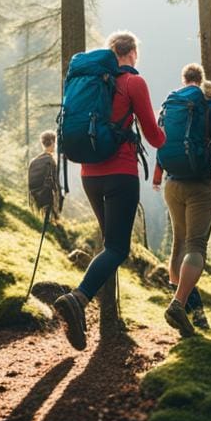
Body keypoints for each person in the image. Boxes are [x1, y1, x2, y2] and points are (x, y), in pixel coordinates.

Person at [53, 31, 165, 350]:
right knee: (117, 248)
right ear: (132, 54)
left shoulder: (90, 80)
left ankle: (93, 316)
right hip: (121, 173)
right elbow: (154, 137)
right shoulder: (133, 82)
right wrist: (165, 135)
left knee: (109, 246)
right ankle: (78, 299)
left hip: (89, 173)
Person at [153, 65, 211, 337]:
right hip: (200, 186)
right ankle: (178, 303)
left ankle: (185, 307)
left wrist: (158, 176)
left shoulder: (174, 107)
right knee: (196, 245)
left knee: (178, 243)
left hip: (172, 183)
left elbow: (159, 142)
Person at [28, 131, 60, 219]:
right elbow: (56, 182)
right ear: (53, 142)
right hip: (47, 197)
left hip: (35, 197)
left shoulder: (34, 161)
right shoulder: (50, 161)